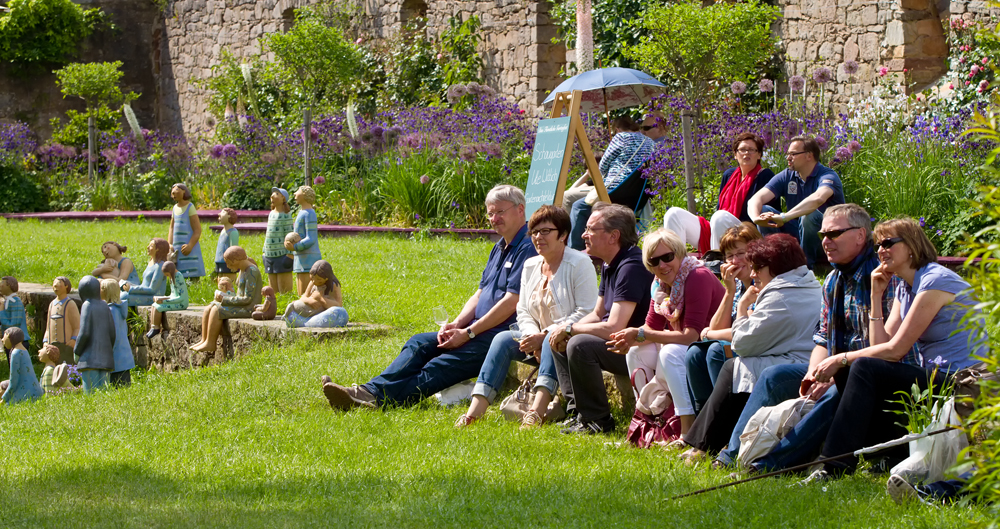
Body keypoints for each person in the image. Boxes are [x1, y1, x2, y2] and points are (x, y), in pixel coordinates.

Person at [717, 204, 917, 471]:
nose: (824, 241)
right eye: (823, 234)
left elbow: (886, 351)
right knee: (774, 376)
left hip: (868, 371)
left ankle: (773, 464)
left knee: (840, 388)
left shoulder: (884, 277)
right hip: (836, 364)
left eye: (833, 234)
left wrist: (833, 373)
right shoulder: (833, 279)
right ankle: (730, 455)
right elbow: (822, 338)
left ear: (860, 236)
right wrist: (813, 374)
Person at [321, 185, 536, 410]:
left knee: (439, 365)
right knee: (419, 343)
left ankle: (372, 400)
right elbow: (480, 292)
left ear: (520, 209)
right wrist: (457, 324)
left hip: (499, 337)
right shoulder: (499, 246)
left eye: (500, 212)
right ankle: (367, 392)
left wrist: (469, 333)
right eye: (490, 213)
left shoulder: (528, 246)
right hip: (476, 330)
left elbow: (513, 301)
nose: (494, 218)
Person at [806, 217, 987, 481]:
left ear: (912, 246)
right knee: (854, 370)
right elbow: (881, 348)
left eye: (889, 242)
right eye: (878, 244)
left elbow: (896, 350)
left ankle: (831, 466)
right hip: (937, 379)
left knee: (860, 366)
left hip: (962, 381)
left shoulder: (936, 281)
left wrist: (841, 357)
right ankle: (892, 453)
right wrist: (875, 297)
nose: (881, 250)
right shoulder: (905, 285)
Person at [677, 234, 821, 463]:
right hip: (790, 356)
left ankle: (714, 448)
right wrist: (731, 294)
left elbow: (742, 344)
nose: (752, 273)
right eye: (729, 256)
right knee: (700, 354)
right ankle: (705, 443)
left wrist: (742, 307)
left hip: (795, 363)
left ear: (774, 267)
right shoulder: (800, 283)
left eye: (756, 267)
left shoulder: (781, 295)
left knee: (730, 364)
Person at [455, 205, 598, 428]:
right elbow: (522, 309)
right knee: (502, 339)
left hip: (569, 338)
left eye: (545, 231)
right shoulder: (531, 265)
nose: (538, 237)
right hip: (537, 338)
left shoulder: (580, 264)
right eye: (534, 232)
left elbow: (586, 312)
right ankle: (474, 412)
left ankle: (535, 412)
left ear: (562, 235)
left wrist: (545, 336)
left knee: (552, 341)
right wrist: (532, 337)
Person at [605, 228, 724, 436]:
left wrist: (641, 334)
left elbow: (690, 337)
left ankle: (685, 430)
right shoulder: (660, 285)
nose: (662, 265)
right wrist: (629, 338)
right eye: (654, 261)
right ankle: (649, 421)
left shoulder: (698, 276)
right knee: (635, 352)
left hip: (712, 348)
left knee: (669, 353)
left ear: (679, 253)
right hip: (690, 347)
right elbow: (651, 327)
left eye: (667, 257)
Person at [550, 203, 654, 435]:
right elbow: (598, 313)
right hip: (617, 343)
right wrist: (564, 328)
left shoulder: (631, 267)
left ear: (613, 236)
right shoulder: (610, 263)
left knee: (578, 343)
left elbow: (615, 327)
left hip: (638, 348)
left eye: (590, 229)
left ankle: (598, 420)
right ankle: (578, 412)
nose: (583, 235)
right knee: (560, 338)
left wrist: (571, 329)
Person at [685, 223, 762, 414]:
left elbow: (746, 329)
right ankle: (703, 419)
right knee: (694, 354)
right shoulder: (737, 286)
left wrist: (709, 333)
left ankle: (724, 418)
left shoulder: (761, 283)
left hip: (760, 350)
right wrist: (729, 291)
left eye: (741, 253)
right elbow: (719, 327)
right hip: (741, 345)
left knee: (716, 350)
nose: (735, 261)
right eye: (730, 256)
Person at [663, 133, 779, 254]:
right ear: (735, 154)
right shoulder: (728, 175)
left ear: (759, 155)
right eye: (742, 150)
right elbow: (719, 208)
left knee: (721, 217)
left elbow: (767, 212)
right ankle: (677, 264)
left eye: (752, 150)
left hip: (748, 234)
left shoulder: (765, 175)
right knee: (674, 214)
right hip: (720, 228)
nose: (746, 153)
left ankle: (717, 265)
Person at [747, 135, 845, 268]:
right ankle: (775, 261)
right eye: (788, 154)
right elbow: (756, 199)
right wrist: (756, 218)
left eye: (793, 154)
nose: (788, 158)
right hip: (797, 230)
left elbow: (818, 198)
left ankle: (805, 266)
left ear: (809, 156)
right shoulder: (787, 175)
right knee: (764, 211)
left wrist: (784, 217)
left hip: (827, 236)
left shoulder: (828, 176)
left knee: (809, 215)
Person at [566, 116, 655, 250]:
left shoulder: (621, 137)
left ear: (618, 129)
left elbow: (601, 167)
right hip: (639, 196)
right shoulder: (650, 142)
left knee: (579, 206)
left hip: (614, 192)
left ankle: (576, 251)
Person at [190, 246, 263, 353]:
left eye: (229, 263)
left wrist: (225, 299)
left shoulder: (251, 271)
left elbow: (248, 299)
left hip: (249, 308)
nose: (228, 266)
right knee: (209, 307)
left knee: (217, 309)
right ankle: (204, 340)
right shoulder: (243, 269)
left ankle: (211, 343)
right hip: (242, 304)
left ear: (237, 260)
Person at [74, 275, 116, 393]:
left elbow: (84, 332)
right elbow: (112, 333)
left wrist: (77, 351)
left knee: (90, 394)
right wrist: (108, 350)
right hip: (106, 358)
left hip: (89, 359)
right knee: (103, 395)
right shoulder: (105, 306)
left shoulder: (87, 305)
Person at [286, 185, 322, 296]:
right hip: (301, 258)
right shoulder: (303, 212)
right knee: (300, 293)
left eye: (298, 191)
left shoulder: (309, 214)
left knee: (306, 293)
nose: (295, 194)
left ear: (305, 195)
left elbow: (311, 238)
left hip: (308, 259)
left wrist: (295, 247)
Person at [100, 279, 135, 387]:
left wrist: (107, 355)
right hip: (123, 357)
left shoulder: (112, 311)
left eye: (101, 288)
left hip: (116, 359)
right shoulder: (118, 308)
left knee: (119, 390)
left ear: (106, 291)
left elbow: (114, 334)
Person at [167, 183, 205, 280]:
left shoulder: (190, 207)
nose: (173, 193)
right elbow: (171, 227)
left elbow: (197, 229)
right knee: (178, 264)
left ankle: (194, 280)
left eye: (176, 190)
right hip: (177, 247)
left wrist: (190, 245)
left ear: (184, 191)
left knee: (191, 265)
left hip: (189, 246)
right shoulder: (175, 208)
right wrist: (170, 243)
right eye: (172, 192)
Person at [263, 187, 295, 294]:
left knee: (283, 284)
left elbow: (289, 234)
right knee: (272, 282)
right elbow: (268, 233)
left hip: (281, 254)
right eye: (272, 193)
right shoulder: (271, 214)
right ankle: (274, 299)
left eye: (276, 193)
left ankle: (284, 299)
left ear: (283, 198)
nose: (272, 196)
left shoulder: (286, 215)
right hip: (269, 253)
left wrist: (290, 254)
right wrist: (264, 251)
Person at [147, 261, 190, 338]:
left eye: (167, 274)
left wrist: (164, 301)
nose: (167, 276)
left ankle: (156, 328)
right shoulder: (171, 278)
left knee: (158, 307)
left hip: (181, 302)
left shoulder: (178, 276)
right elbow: (172, 294)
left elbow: (181, 297)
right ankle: (153, 327)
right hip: (176, 299)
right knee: (154, 305)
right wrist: (161, 298)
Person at [122, 238, 170, 307]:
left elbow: (153, 290)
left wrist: (132, 289)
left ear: (158, 249)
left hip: (154, 297)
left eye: (151, 246)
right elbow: (144, 285)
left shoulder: (160, 266)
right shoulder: (151, 263)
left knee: (124, 297)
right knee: (120, 293)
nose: (147, 247)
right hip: (145, 294)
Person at [42, 276, 79, 363]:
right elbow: (48, 327)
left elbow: (77, 326)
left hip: (66, 345)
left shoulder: (70, 304)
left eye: (58, 283)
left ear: (66, 286)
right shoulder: (51, 304)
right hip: (52, 346)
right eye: (54, 283)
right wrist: (46, 340)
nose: (55, 285)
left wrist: (74, 340)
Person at [1, 327, 43, 405]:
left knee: (7, 405)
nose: (2, 339)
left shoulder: (15, 353)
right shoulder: (24, 350)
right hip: (36, 391)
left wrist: (4, 398)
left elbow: (14, 381)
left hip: (27, 394)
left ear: (9, 336)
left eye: (4, 336)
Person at [0, 275, 30, 355]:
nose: (0, 285)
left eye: (2, 283)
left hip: (18, 342)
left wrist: (1, 311)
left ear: (9, 285)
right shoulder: (8, 301)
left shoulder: (15, 302)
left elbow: (13, 325)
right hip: (9, 341)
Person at [214, 208, 240, 282]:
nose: (219, 214)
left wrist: (233, 263)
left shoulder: (233, 232)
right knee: (220, 280)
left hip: (227, 262)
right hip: (220, 261)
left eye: (223, 212)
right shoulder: (223, 231)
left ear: (229, 216)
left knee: (228, 281)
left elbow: (233, 248)